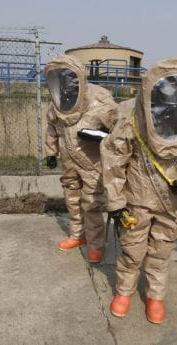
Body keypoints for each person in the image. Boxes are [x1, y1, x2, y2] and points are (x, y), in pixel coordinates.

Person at [100, 57, 177, 324]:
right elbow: (114, 160)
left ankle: (155, 297)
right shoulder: (133, 119)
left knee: (161, 252)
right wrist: (115, 203)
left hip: (171, 202)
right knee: (131, 249)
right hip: (136, 201)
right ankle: (124, 291)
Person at [44, 54, 118, 263]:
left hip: (91, 162)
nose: (65, 81)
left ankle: (96, 245)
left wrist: (102, 137)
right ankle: (78, 236)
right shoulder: (58, 102)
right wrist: (51, 153)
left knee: (91, 204)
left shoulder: (99, 98)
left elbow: (119, 129)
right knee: (72, 199)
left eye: (69, 76)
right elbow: (52, 128)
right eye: (59, 77)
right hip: (69, 161)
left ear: (79, 76)